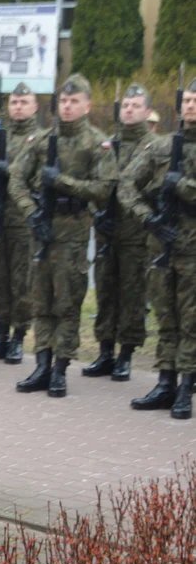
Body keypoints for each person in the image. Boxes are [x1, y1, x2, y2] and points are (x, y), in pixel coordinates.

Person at [10, 74, 118, 398]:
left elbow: (105, 189)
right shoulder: (41, 141)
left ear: (87, 106)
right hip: (42, 229)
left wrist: (64, 182)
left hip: (72, 230)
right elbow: (16, 178)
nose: (67, 107)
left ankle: (60, 369)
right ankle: (42, 365)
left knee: (68, 301)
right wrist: (31, 213)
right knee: (40, 299)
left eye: (74, 101)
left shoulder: (97, 144)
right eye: (63, 101)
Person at [119, 78, 196, 420]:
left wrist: (183, 186)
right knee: (165, 318)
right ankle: (166, 382)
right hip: (162, 243)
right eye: (188, 100)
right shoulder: (162, 147)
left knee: (192, 321)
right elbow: (126, 185)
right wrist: (148, 219)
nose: (191, 106)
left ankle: (185, 388)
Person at [84, 84, 157, 382]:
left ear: (146, 111)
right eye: (126, 105)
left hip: (136, 233)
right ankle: (105, 352)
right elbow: (90, 184)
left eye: (135, 105)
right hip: (106, 230)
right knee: (105, 289)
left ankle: (126, 354)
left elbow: (154, 189)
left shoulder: (155, 147)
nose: (129, 109)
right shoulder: (106, 145)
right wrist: (95, 214)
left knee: (133, 293)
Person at [0, 83, 43, 364]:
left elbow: (41, 181)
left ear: (35, 106)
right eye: (14, 102)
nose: (18, 106)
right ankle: (1, 335)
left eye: (24, 102)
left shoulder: (41, 140)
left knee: (22, 281)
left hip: (24, 222)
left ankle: (18, 337)